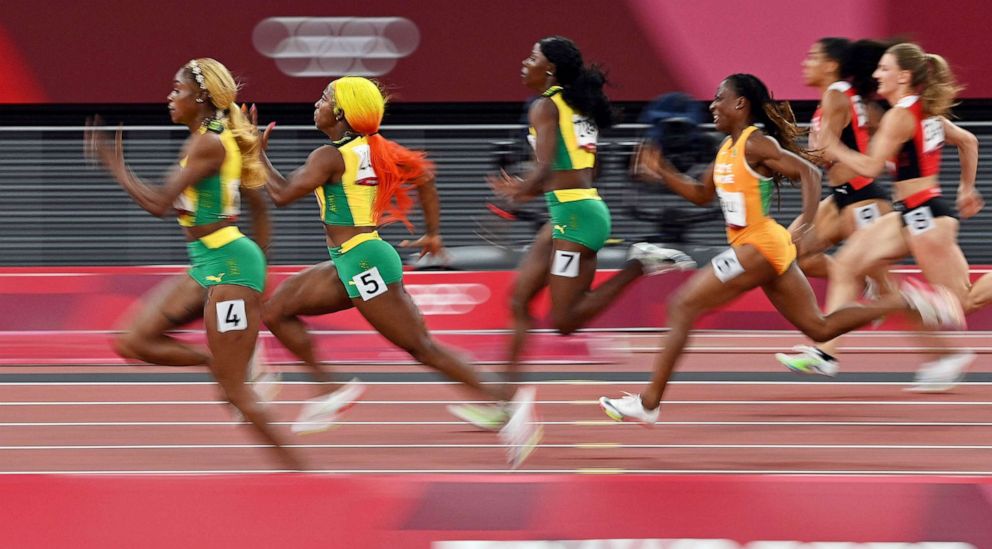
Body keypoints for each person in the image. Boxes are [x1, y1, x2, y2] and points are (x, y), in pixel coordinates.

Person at [598, 73, 962, 424]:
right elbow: (700, 194)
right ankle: (908, 301)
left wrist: (805, 223)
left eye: (719, 98)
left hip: (758, 246)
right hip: (762, 249)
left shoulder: (757, 143)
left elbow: (810, 173)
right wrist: (662, 171)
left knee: (682, 306)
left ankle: (648, 404)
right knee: (819, 330)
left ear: (740, 103)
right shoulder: (727, 149)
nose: (711, 105)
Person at [257, 76, 540, 467]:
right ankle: (329, 388)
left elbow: (282, 195)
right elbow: (424, 176)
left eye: (325, 98)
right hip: (353, 259)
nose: (316, 103)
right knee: (276, 310)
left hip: (363, 261)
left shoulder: (329, 156)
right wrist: (433, 234)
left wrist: (257, 157)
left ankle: (508, 402)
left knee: (422, 347)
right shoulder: (376, 149)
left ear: (341, 113)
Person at [449, 36, 693, 431]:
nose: (524, 63)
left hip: (576, 218)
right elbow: (580, 171)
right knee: (519, 299)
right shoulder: (574, 105)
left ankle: (637, 265)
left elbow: (544, 169)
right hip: (570, 212)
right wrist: (532, 196)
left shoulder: (545, 105)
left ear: (551, 71)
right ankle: (503, 403)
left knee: (564, 322)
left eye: (532, 58)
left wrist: (519, 192)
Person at [84, 58, 302, 469]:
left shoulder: (207, 143)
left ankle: (305, 475)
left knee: (233, 391)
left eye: (176, 90)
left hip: (230, 263)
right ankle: (222, 358)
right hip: (210, 261)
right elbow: (258, 205)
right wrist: (262, 262)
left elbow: (158, 204)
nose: (170, 97)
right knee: (132, 340)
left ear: (200, 97)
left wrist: (117, 168)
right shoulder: (220, 138)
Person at [818, 43, 981, 391]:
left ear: (904, 76)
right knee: (848, 265)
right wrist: (965, 189)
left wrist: (831, 145)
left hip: (926, 218)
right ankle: (825, 352)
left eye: (884, 68)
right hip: (910, 214)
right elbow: (968, 141)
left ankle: (945, 356)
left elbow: (870, 166)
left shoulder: (902, 115)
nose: (876, 74)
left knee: (959, 301)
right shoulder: (922, 112)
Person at [776, 37, 895, 376]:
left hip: (862, 200)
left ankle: (825, 354)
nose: (805, 62)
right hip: (843, 196)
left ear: (830, 65)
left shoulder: (835, 95)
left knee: (886, 291)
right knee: (793, 251)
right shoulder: (840, 97)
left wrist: (778, 152)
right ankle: (866, 289)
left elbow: (825, 153)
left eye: (813, 56)